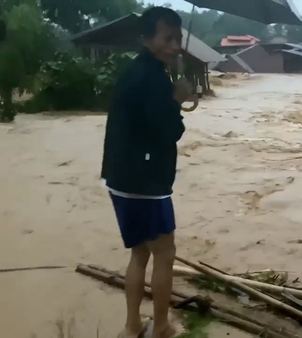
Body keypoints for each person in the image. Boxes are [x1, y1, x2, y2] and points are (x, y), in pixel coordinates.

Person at [100, 6, 193, 338]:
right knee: (165, 255)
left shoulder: (135, 72)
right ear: (146, 39)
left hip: (120, 179)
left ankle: (132, 326)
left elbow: (142, 122)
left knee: (140, 254)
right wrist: (178, 101)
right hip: (146, 182)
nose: (175, 45)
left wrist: (172, 98)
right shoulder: (153, 78)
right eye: (167, 38)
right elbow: (168, 131)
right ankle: (162, 327)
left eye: (178, 38)